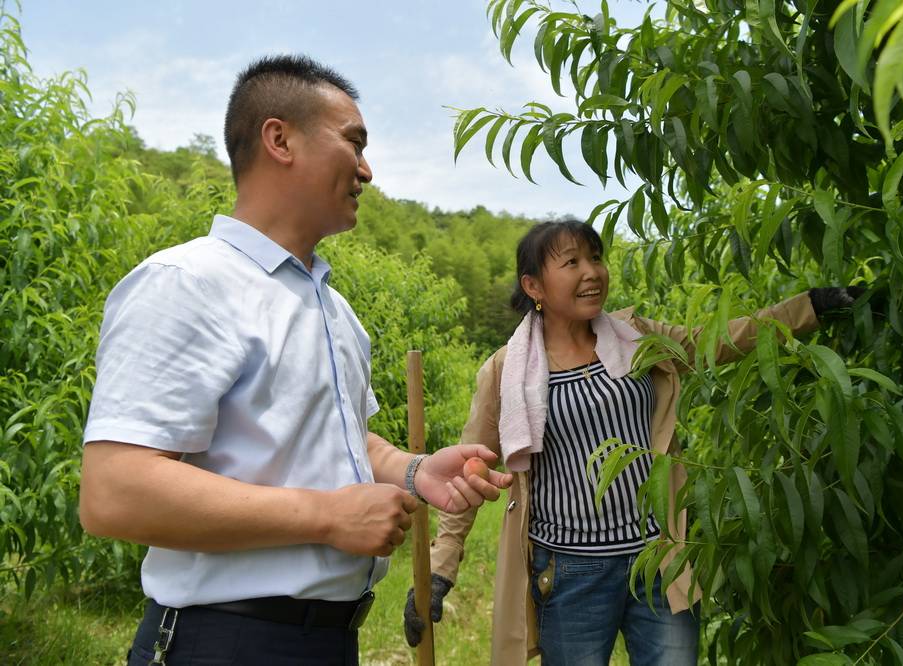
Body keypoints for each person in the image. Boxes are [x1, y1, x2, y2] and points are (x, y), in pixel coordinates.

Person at [78, 54, 512, 666]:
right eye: (353, 142)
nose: (367, 168)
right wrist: (326, 517)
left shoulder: (334, 310)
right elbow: (114, 491)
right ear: (279, 138)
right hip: (224, 640)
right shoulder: (187, 283)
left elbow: (343, 442)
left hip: (330, 640)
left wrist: (415, 471)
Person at [403, 220, 859, 665]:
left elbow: (713, 342)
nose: (592, 272)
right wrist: (440, 569)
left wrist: (809, 307)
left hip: (659, 558)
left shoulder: (635, 337)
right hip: (571, 571)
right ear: (534, 286)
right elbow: (470, 470)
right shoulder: (508, 369)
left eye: (596, 258)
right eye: (572, 262)